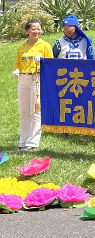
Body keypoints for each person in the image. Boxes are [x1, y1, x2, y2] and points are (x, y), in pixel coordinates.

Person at [14, 20, 54, 150]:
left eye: (38, 29)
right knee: (24, 111)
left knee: (36, 111)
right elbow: (18, 63)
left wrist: (43, 61)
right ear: (27, 31)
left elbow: (51, 63)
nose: (36, 31)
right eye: (33, 29)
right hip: (23, 79)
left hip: (37, 78)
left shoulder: (45, 45)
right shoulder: (21, 47)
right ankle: (23, 141)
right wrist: (16, 70)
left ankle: (33, 142)